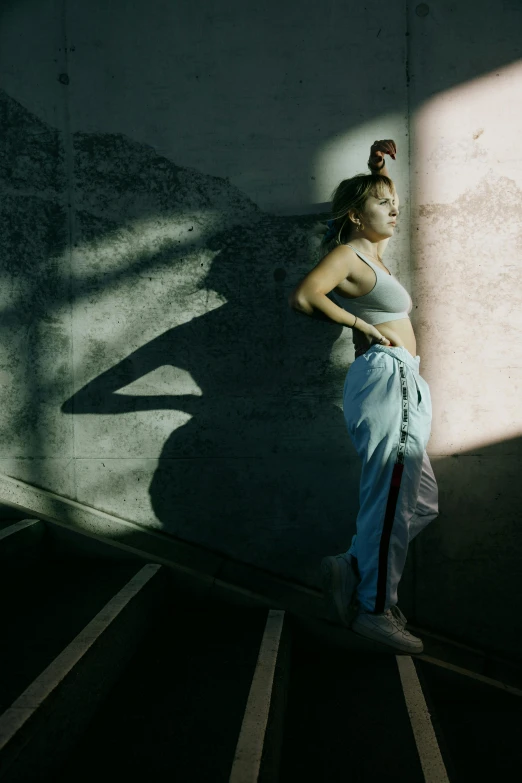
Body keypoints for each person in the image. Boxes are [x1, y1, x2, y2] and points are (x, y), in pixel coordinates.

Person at [288, 140, 438, 654]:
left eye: (394, 202)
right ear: (356, 214)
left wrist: (376, 173)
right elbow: (306, 295)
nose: (394, 209)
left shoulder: (371, 255)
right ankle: (373, 609)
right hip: (385, 376)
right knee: (393, 496)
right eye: (383, 203)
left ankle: (352, 566)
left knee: (419, 501)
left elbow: (365, 213)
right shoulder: (347, 254)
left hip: (404, 381)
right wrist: (364, 328)